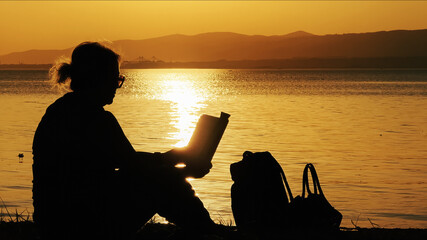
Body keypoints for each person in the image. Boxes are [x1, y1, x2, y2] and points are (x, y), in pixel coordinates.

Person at [32, 42, 218, 239]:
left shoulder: (60, 111)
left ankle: (206, 231)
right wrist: (182, 169)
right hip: (81, 223)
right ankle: (208, 232)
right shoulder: (96, 119)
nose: (117, 86)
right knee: (165, 181)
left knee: (163, 177)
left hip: (53, 221)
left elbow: (125, 161)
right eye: (115, 79)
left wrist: (169, 159)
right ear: (96, 78)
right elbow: (134, 166)